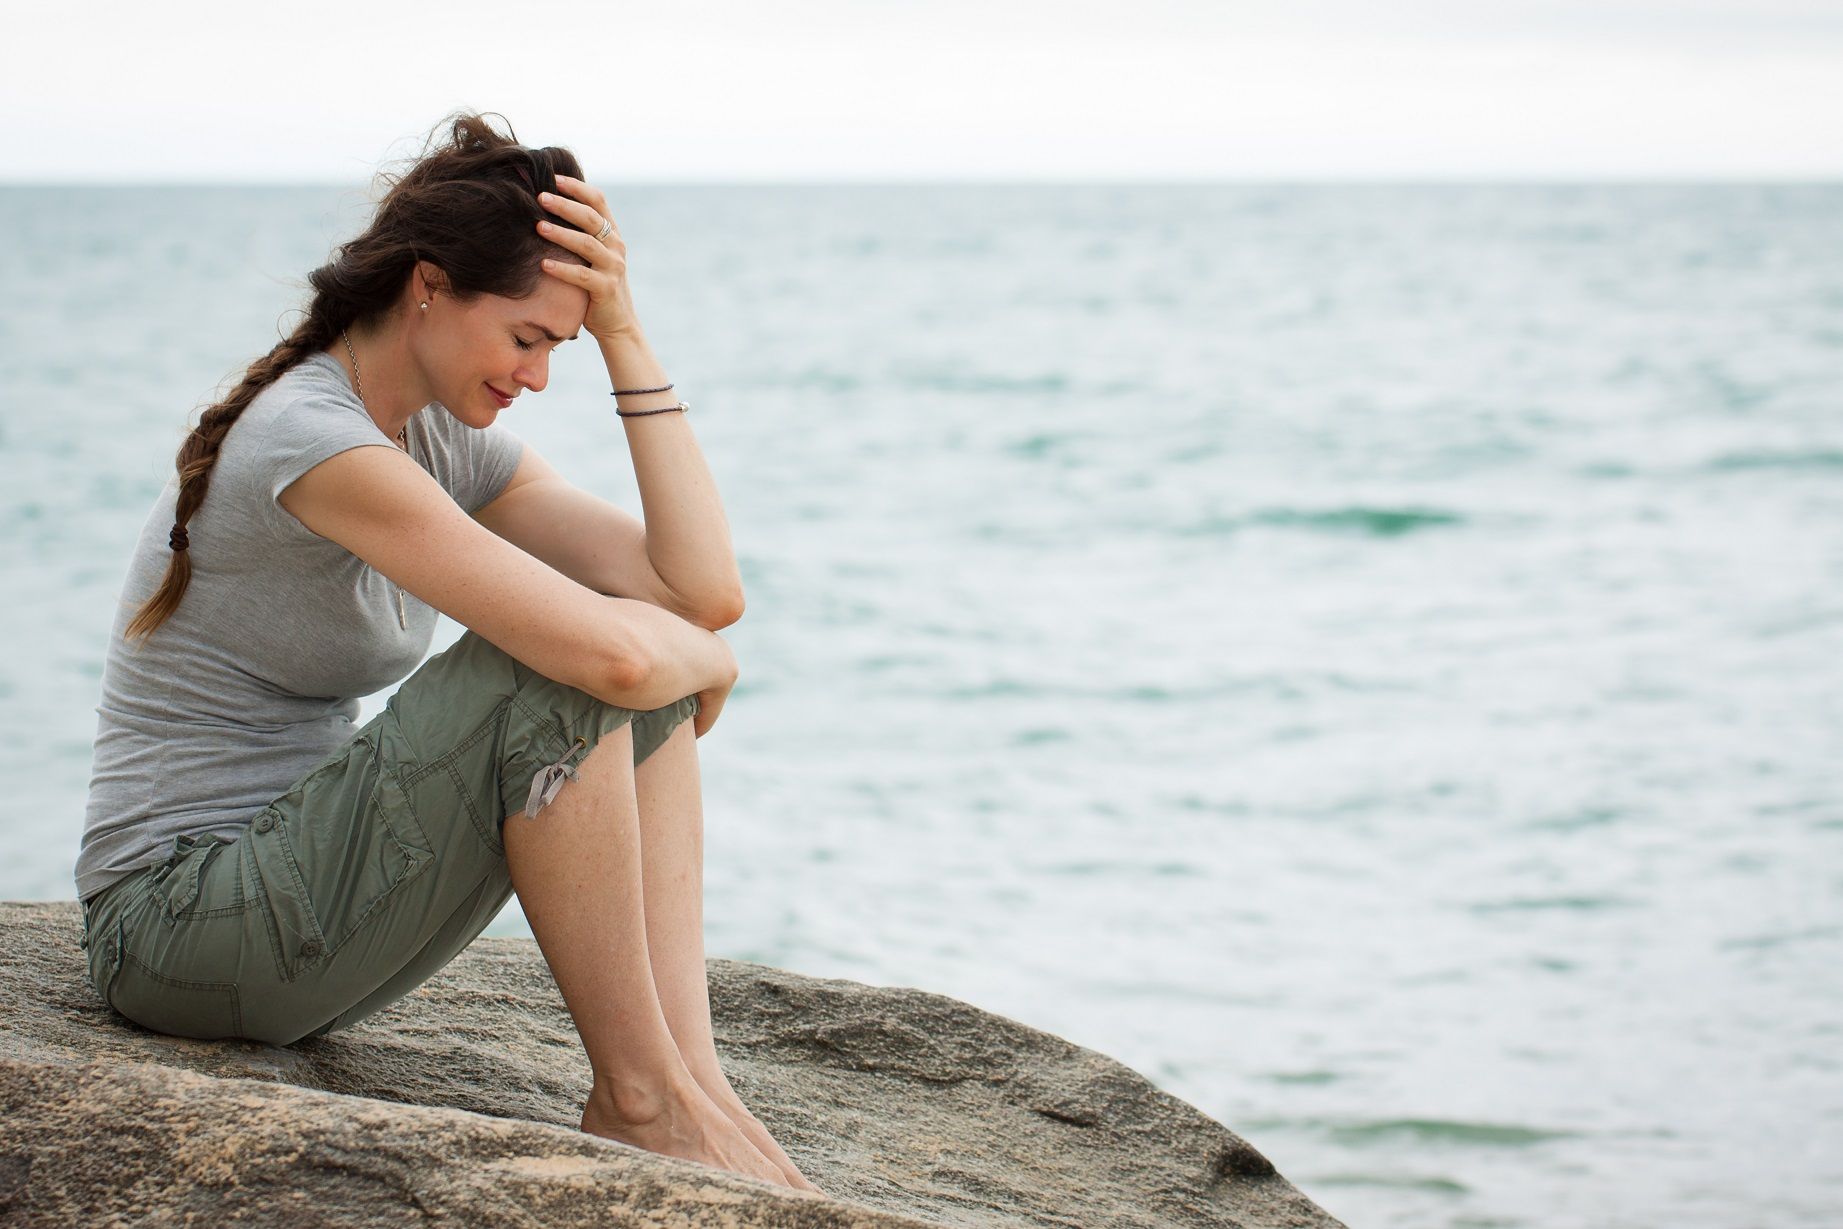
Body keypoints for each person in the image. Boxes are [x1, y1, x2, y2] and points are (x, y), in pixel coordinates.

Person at [71, 111, 820, 1194]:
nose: (538, 376)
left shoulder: (440, 440)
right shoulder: (312, 440)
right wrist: (690, 657)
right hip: (179, 927)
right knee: (553, 666)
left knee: (627, 672)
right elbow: (611, 657)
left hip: (292, 913)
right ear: (429, 286)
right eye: (528, 337)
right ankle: (641, 1097)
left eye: (560, 346)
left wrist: (626, 333)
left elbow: (699, 590)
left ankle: (689, 1084)